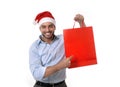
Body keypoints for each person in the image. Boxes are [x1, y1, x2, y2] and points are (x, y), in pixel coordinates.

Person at [29, 11, 86, 87]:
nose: (47, 30)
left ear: (54, 27)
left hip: (61, 84)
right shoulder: (35, 47)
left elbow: (84, 39)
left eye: (50, 26)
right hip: (41, 85)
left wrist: (81, 22)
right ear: (40, 28)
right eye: (44, 27)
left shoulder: (63, 39)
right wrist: (59, 66)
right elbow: (37, 73)